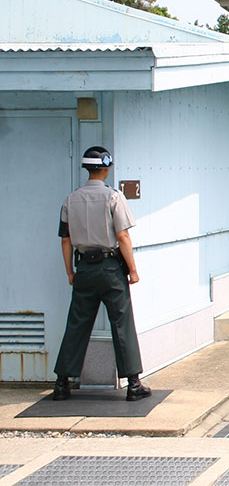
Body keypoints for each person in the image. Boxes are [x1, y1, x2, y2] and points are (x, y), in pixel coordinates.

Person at [54, 146, 151, 402]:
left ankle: (62, 383)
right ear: (106, 168)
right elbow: (122, 236)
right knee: (122, 322)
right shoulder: (113, 197)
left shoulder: (70, 199)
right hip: (110, 268)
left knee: (77, 323)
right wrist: (133, 270)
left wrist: (70, 272)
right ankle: (133, 384)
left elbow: (65, 240)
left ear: (87, 169)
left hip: (84, 267)